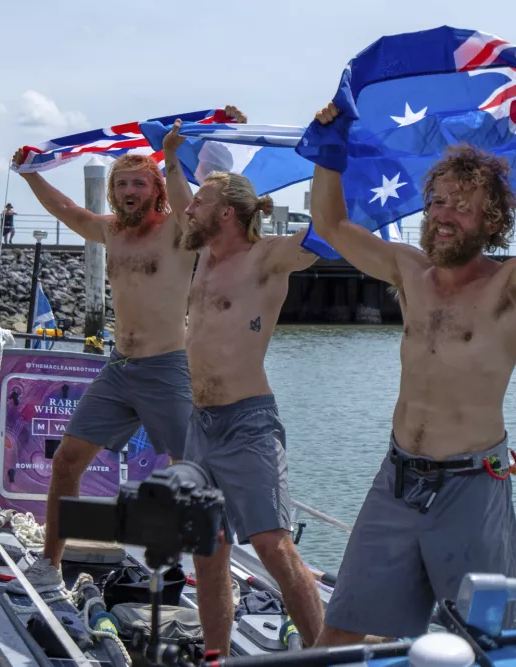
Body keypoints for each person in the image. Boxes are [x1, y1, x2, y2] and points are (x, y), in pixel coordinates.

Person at [308, 99, 516, 644]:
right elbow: (332, 223)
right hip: (396, 480)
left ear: (491, 221)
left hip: (470, 489)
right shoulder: (409, 272)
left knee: (485, 645)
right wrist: (329, 145)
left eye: (461, 206)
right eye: (436, 201)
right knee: (337, 637)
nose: (442, 214)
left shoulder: (507, 288)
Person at [5, 105, 247, 597]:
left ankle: (218, 578)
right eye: (122, 186)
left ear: (157, 189)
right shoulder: (110, 231)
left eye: (139, 184)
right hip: (119, 369)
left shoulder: (180, 232)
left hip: (168, 369)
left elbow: (202, 196)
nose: (129, 192)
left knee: (196, 478)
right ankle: (50, 567)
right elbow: (71, 213)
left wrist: (224, 130)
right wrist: (30, 174)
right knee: (67, 461)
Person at [161, 120, 324, 653]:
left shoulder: (267, 258)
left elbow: (327, 232)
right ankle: (215, 656)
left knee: (274, 546)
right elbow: (181, 195)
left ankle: (326, 653)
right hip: (200, 425)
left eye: (199, 202)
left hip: (247, 421)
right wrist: (170, 153)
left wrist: (330, 155)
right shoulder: (203, 251)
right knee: (208, 549)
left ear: (226, 212)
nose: (188, 208)